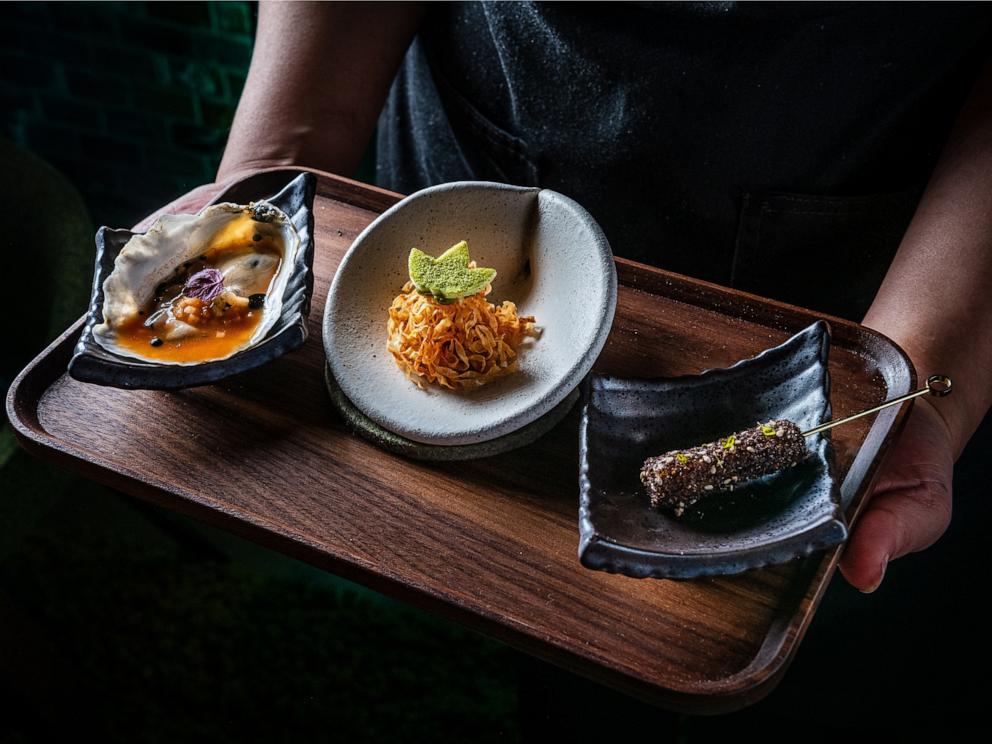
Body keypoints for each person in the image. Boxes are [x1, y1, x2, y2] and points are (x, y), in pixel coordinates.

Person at [151, 1, 992, 734]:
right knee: (564, 652)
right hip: (488, 146)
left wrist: (928, 368)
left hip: (894, 261)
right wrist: (277, 164)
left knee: (830, 663)